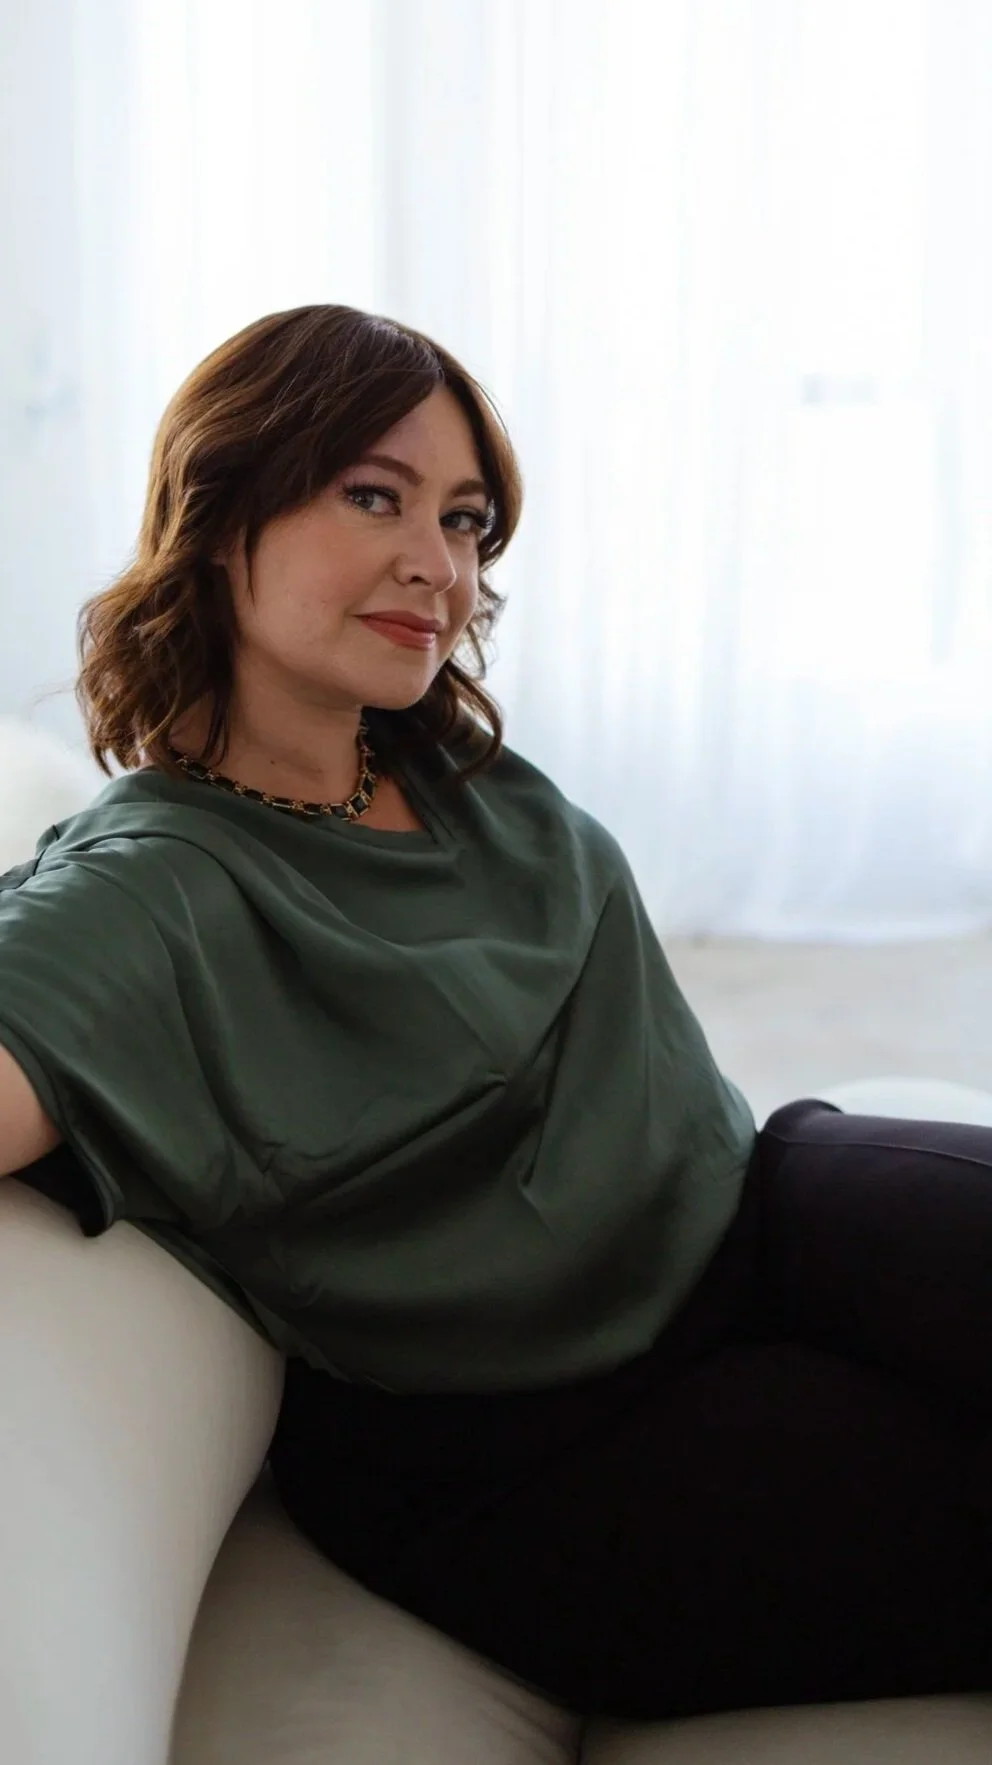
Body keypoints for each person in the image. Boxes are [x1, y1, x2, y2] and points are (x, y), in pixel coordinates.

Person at [0, 303, 989, 1723]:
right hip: (549, 1441)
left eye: (465, 521)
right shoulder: (147, 886)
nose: (441, 567)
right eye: (374, 497)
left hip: (756, 1208)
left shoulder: (429, 759)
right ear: (221, 519)